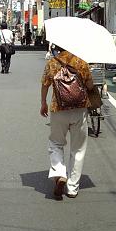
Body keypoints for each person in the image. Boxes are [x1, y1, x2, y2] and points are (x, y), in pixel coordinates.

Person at [40, 43, 94, 200]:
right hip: (79, 109)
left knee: (56, 143)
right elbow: (90, 86)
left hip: (59, 109)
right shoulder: (81, 62)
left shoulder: (52, 62)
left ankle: (59, 173)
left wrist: (43, 103)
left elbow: (44, 84)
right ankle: (72, 188)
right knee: (78, 149)